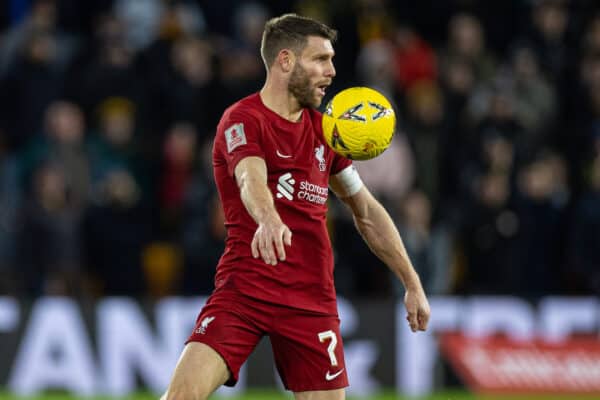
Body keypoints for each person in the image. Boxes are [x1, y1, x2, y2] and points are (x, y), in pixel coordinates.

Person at [161, 13, 430, 400]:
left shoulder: (326, 133)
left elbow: (366, 210)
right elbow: (249, 177)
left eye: (332, 60)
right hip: (245, 291)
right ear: (285, 61)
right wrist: (268, 218)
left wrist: (411, 281)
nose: (332, 71)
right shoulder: (243, 119)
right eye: (321, 59)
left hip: (311, 301)